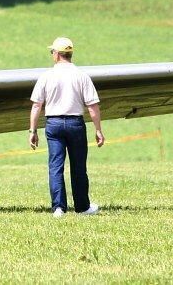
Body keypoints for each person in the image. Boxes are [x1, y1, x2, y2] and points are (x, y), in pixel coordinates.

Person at [29, 36, 105, 217]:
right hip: (75, 124)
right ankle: (82, 207)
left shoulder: (47, 76)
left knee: (55, 166)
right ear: (70, 54)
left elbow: (36, 105)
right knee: (78, 166)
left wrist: (32, 130)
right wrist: (98, 130)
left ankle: (58, 208)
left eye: (52, 52)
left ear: (56, 54)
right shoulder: (81, 75)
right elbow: (92, 106)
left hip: (53, 124)